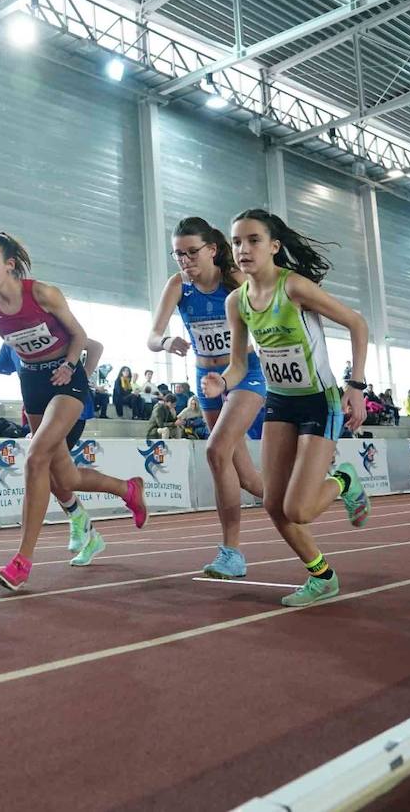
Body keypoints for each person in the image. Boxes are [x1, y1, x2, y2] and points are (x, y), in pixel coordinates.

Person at [204, 210, 371, 609]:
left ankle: (344, 481)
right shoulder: (236, 301)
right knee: (272, 504)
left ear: (274, 246)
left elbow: (357, 323)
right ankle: (322, 576)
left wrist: (357, 385)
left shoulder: (294, 287)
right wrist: (223, 382)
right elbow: (241, 363)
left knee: (298, 509)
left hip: (319, 401)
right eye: (237, 242)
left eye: (253, 240)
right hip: (280, 401)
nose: (243, 249)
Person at [0, 232, 146, 591]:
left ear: (9, 265)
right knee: (66, 478)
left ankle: (22, 560)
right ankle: (128, 489)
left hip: (66, 380)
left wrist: (68, 363)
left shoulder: (43, 294)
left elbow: (81, 337)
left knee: (36, 458)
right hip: (31, 385)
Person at [147, 216, 267, 579]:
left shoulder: (236, 281)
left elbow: (265, 325)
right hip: (206, 380)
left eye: (192, 252)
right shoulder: (178, 286)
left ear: (213, 250)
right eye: (178, 254)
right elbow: (152, 336)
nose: (185, 261)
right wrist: (167, 342)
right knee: (246, 478)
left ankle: (231, 553)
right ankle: (329, 487)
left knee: (215, 451)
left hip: (245, 374)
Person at [0, 335, 136, 567]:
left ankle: (81, 522)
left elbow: (95, 346)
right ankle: (97, 518)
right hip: (40, 415)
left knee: (43, 469)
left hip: (71, 411)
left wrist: (81, 376)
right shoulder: (10, 345)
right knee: (59, 477)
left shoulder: (48, 328)